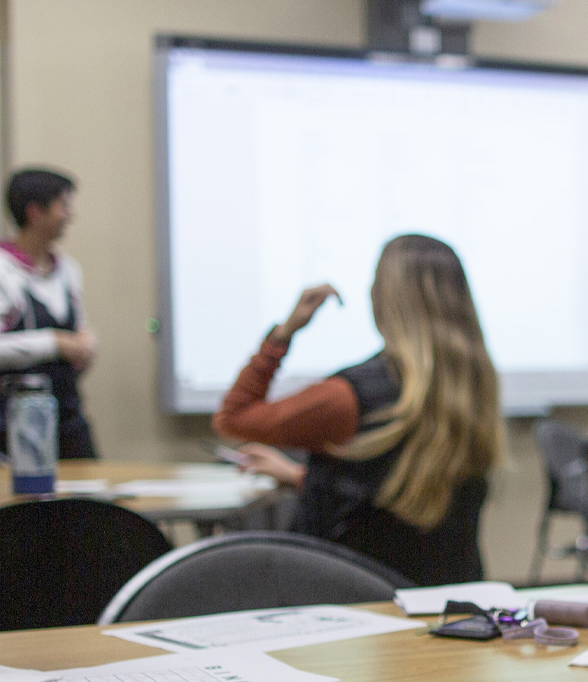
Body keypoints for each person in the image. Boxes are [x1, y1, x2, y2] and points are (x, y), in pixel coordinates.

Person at [212, 234, 500, 586]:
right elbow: (400, 497)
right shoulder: (474, 388)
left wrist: (283, 334)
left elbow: (233, 417)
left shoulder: (345, 398)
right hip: (449, 599)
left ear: (383, 298)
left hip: (357, 604)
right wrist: (305, 479)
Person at [0, 167, 98, 458]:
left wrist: (85, 345)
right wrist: (55, 343)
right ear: (35, 212)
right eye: (64, 206)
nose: (71, 215)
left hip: (67, 420)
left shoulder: (68, 270)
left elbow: (77, 331)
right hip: (2, 426)